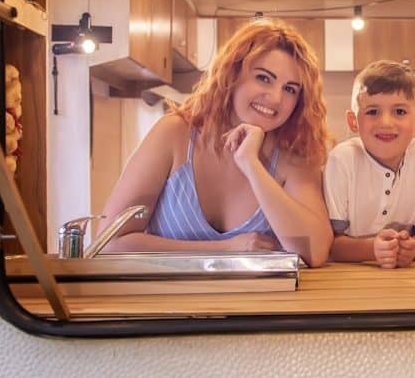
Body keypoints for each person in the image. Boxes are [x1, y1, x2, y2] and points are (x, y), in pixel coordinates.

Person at [95, 18, 334, 266]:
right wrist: (225, 249)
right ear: (232, 74)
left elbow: (314, 252)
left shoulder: (293, 153)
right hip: (170, 302)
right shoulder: (174, 134)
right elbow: (109, 243)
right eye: (263, 78)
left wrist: (252, 165)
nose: (275, 98)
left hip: (260, 304)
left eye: (290, 89)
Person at [324, 60, 415, 268]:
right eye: (372, 112)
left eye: (399, 112)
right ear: (353, 121)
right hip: (347, 279)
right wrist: (373, 249)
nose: (386, 122)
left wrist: (413, 248)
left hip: (409, 280)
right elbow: (331, 243)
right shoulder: (341, 160)